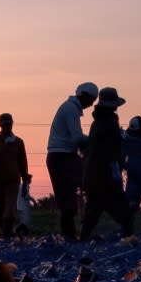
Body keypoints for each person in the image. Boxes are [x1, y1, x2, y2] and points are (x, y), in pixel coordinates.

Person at [80, 87, 133, 241]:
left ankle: (82, 240)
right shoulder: (109, 123)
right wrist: (115, 171)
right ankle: (129, 238)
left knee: (93, 211)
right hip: (104, 174)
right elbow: (109, 152)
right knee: (122, 212)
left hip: (94, 174)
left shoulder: (97, 123)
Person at [46, 82, 97, 240]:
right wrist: (95, 140)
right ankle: (72, 235)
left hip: (62, 156)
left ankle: (73, 234)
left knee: (68, 196)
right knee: (73, 193)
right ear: (84, 96)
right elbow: (76, 138)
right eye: (91, 100)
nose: (91, 104)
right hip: (62, 157)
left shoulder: (70, 108)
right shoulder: (70, 110)